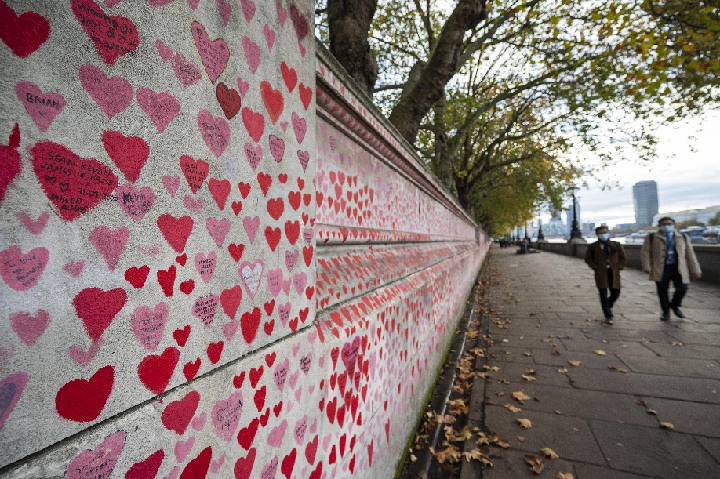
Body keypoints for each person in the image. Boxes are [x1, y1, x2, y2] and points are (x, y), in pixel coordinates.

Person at [642, 217, 702, 321]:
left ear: (674, 224)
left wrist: (695, 269)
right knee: (662, 291)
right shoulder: (651, 237)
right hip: (661, 268)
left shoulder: (683, 237)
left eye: (669, 224)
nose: (667, 226)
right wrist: (646, 266)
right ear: (659, 226)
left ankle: (674, 305)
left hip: (678, 267)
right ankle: (665, 312)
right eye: (664, 224)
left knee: (683, 287)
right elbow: (645, 253)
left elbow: (690, 254)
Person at [585, 226, 626, 324]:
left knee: (616, 292)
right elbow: (588, 259)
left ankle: (608, 304)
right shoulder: (593, 246)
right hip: (601, 272)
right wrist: (595, 267)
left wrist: (620, 266)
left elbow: (622, 257)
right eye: (601, 233)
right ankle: (608, 315)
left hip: (614, 272)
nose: (603, 234)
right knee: (603, 292)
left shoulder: (616, 245)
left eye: (605, 232)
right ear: (597, 234)